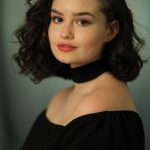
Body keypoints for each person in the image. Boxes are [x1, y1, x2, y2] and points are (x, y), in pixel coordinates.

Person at [13, 0, 145, 149]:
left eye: (82, 21)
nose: (65, 33)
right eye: (58, 19)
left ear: (110, 30)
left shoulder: (102, 111)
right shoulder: (61, 97)